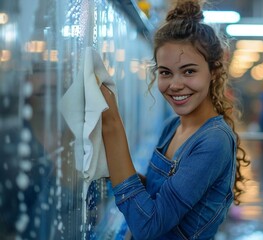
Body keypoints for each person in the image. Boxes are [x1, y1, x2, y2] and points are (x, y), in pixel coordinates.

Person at [100, 0, 248, 239]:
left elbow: (149, 226)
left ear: (214, 72)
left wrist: (111, 125)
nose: (175, 85)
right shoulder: (173, 126)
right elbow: (161, 196)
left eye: (189, 71)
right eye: (165, 72)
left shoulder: (214, 141)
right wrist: (114, 174)